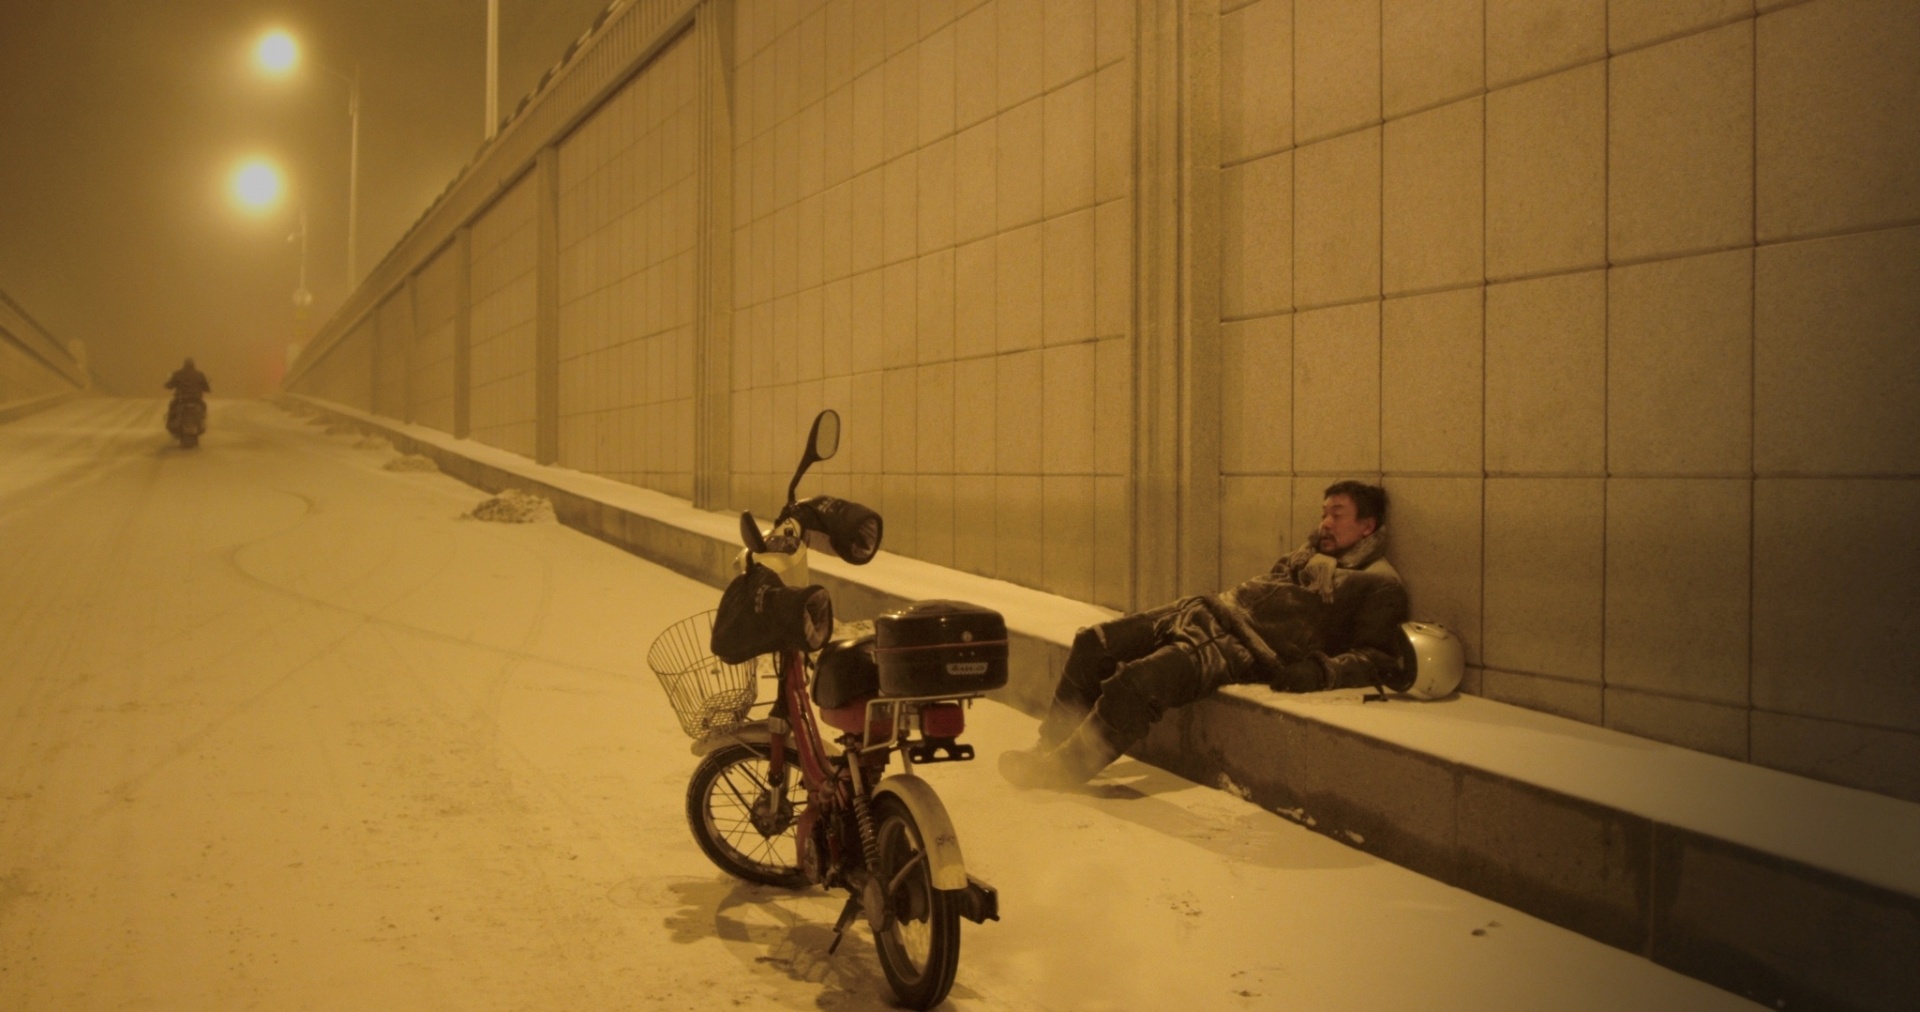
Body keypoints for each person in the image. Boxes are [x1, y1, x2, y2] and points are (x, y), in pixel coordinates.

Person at [999, 480, 1410, 789]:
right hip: (1205, 609)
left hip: (1235, 646)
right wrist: (1318, 559)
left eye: (1337, 515)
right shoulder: (1310, 558)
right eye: (1323, 513)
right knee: (1094, 641)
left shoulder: (1378, 584)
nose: (1324, 523)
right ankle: (1047, 744)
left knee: (1137, 682)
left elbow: (1379, 658)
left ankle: (1061, 772)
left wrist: (1321, 672)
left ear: (1367, 526)